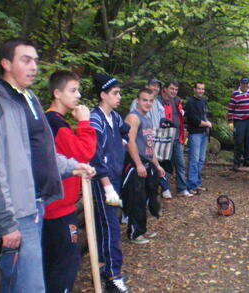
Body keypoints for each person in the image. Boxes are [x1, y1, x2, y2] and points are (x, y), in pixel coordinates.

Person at [0, 38, 95, 293]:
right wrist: (4, 223)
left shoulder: (29, 100)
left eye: (36, 61)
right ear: (6, 63)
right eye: (26, 60)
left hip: (37, 205)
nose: (34, 66)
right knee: (30, 286)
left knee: (23, 284)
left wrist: (73, 167)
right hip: (17, 213)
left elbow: (42, 152)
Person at [43, 70, 97, 293]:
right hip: (56, 208)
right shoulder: (54, 123)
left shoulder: (57, 122)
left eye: (78, 90)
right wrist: (85, 123)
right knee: (65, 262)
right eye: (73, 90)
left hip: (57, 204)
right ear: (57, 93)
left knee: (56, 262)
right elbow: (83, 152)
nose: (78, 95)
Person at [90, 73, 130, 292]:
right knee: (110, 227)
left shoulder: (114, 117)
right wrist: (106, 186)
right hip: (102, 182)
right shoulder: (95, 119)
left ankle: (106, 270)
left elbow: (126, 130)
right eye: (115, 93)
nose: (119, 97)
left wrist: (121, 143)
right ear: (103, 94)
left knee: (109, 225)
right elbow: (94, 156)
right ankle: (112, 275)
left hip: (115, 177)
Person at [122, 88, 166, 244]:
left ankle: (142, 230)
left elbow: (149, 145)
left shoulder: (147, 119)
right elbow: (130, 141)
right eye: (144, 100)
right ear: (137, 100)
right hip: (135, 163)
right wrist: (138, 164)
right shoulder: (133, 117)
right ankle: (134, 234)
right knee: (137, 199)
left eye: (150, 100)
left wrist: (157, 165)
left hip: (147, 162)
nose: (148, 103)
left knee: (147, 197)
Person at [130, 78, 172, 199]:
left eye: (157, 86)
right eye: (153, 85)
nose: (155, 88)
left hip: (157, 137)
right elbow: (132, 134)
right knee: (143, 171)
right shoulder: (136, 105)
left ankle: (159, 191)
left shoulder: (157, 103)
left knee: (159, 164)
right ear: (147, 85)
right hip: (141, 141)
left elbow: (162, 118)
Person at [158, 81, 194, 197]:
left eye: (175, 89)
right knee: (165, 164)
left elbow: (180, 118)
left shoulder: (177, 101)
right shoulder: (159, 102)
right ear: (165, 89)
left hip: (177, 137)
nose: (173, 91)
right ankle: (164, 189)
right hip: (163, 137)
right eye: (171, 89)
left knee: (180, 163)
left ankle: (181, 188)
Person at [185, 82, 212, 193]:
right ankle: (191, 185)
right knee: (194, 160)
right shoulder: (190, 103)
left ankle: (197, 182)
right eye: (199, 89)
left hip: (204, 134)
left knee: (201, 159)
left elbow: (204, 116)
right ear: (194, 89)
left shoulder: (204, 101)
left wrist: (207, 122)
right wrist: (206, 124)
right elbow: (193, 120)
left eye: (202, 89)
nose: (200, 91)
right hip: (195, 134)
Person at [227, 77, 249, 171]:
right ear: (240, 84)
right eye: (243, 83)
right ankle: (236, 162)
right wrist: (230, 121)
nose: (245, 85)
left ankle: (247, 160)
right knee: (239, 141)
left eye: (247, 83)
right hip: (239, 121)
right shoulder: (235, 94)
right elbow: (230, 109)